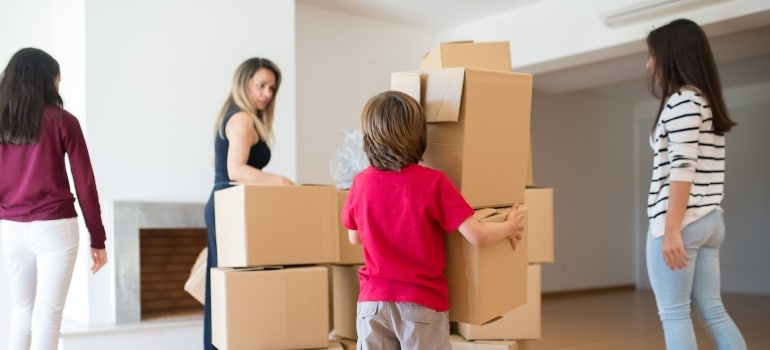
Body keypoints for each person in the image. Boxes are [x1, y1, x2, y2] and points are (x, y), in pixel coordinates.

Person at [341, 90, 524, 350]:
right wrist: (508, 227)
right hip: (420, 303)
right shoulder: (433, 182)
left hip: (372, 305)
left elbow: (354, 237)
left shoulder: (360, 183)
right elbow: (477, 235)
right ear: (419, 136)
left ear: (369, 139)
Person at [644, 18, 747, 350]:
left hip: (683, 222)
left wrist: (671, 228)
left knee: (674, 314)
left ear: (671, 55)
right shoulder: (704, 101)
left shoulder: (682, 102)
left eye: (652, 54)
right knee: (714, 311)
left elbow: (682, 168)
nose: (649, 63)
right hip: (710, 219)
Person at [0, 48, 108, 350]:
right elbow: (85, 184)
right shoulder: (63, 121)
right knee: (48, 315)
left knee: (21, 313)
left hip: (10, 228)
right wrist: (97, 239)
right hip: (54, 227)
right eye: (57, 80)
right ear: (46, 80)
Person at [203, 57, 293, 350]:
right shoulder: (241, 118)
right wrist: (281, 182)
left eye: (272, 88)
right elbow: (234, 170)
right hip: (228, 208)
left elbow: (217, 162)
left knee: (226, 288)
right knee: (232, 290)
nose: (267, 93)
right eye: (261, 85)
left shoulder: (232, 115)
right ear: (245, 83)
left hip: (225, 204)